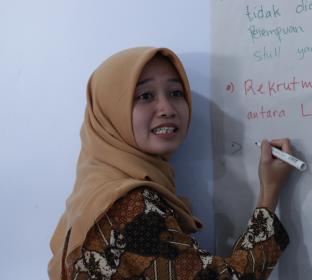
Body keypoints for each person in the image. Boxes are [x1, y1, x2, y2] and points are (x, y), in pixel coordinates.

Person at [48, 47, 293, 280]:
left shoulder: (92, 195)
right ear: (111, 113)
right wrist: (269, 193)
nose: (167, 108)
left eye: (176, 93)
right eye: (145, 96)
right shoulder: (128, 206)